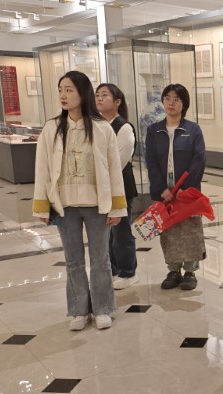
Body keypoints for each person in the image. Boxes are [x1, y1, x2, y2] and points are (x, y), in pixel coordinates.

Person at [32, 70, 126, 331]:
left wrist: (117, 208)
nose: (63, 95)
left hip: (97, 204)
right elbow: (42, 168)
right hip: (64, 206)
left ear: (82, 93)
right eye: (60, 90)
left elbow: (114, 169)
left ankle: (103, 308)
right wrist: (42, 206)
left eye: (69, 90)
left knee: (100, 259)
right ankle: (79, 310)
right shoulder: (51, 128)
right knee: (73, 260)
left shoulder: (102, 128)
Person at [144, 84, 207, 290]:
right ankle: (173, 270)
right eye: (167, 98)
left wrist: (185, 188)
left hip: (187, 192)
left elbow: (198, 160)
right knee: (168, 231)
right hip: (164, 192)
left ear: (184, 104)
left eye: (177, 99)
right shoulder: (154, 130)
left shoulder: (193, 129)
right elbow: (151, 161)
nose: (171, 103)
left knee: (189, 230)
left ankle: (190, 271)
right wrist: (161, 188)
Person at [95, 83, 139, 290]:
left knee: (121, 232)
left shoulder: (124, 128)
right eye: (97, 95)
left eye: (105, 95)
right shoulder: (96, 126)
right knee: (106, 233)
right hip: (101, 187)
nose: (99, 98)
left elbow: (118, 163)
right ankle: (112, 270)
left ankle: (128, 272)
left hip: (120, 187)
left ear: (117, 102)